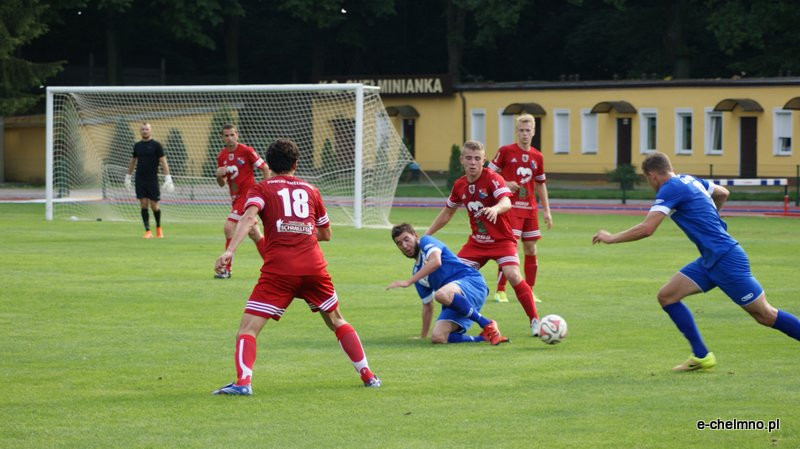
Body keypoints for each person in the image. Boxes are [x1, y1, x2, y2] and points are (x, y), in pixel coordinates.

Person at [592, 151, 800, 371]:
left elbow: (647, 228)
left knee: (765, 315)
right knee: (667, 296)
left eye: (647, 179)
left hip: (727, 259)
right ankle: (702, 356)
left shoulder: (669, 188)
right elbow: (722, 193)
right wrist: (711, 217)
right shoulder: (689, 179)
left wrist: (610, 238)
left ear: (652, 175)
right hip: (711, 259)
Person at [212, 138, 380, 395]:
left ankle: (243, 382)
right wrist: (301, 230)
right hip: (313, 266)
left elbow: (248, 219)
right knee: (336, 320)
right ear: (296, 163)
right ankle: (368, 375)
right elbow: (326, 234)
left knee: (248, 329)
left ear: (269, 164)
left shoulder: (261, 189)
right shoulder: (311, 190)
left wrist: (230, 250)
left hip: (280, 270)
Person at [426, 140, 541, 336]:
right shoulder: (460, 185)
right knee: (453, 280)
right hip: (477, 243)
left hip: (502, 240)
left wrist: (495, 209)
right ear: (462, 160)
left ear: (484, 160)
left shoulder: (492, 178)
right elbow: (447, 213)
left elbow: (506, 201)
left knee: (513, 274)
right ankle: (451, 325)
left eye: (477, 159)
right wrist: (426, 236)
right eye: (469, 158)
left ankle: (535, 320)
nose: (473, 162)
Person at [387, 223, 510, 345]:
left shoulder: (426, 241)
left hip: (471, 282)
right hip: (454, 300)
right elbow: (427, 306)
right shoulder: (417, 273)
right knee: (438, 338)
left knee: (440, 294)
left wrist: (408, 281)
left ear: (415, 235)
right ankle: (484, 338)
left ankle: (487, 324)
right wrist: (423, 336)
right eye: (399, 243)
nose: (404, 245)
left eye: (406, 239)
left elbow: (436, 262)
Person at [488, 114, 552, 303]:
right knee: (510, 248)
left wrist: (547, 210)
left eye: (528, 131)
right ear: (516, 132)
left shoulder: (537, 156)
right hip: (510, 208)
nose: (524, 134)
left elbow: (540, 184)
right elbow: (489, 172)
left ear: (533, 132)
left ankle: (529, 290)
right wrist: (505, 183)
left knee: (531, 248)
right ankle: (500, 290)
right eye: (521, 130)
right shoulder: (506, 151)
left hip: (530, 209)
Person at [214, 124, 270, 279]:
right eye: (226, 135)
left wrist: (266, 191)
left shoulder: (247, 151)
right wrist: (219, 175)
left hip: (248, 196)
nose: (230, 138)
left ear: (237, 135)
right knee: (254, 234)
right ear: (222, 137)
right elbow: (221, 183)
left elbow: (265, 168)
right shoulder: (222, 156)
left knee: (229, 227)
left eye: (232, 134)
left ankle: (226, 269)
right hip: (235, 198)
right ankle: (272, 265)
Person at [125, 122, 173, 238]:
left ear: (150, 130)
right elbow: (133, 161)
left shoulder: (157, 145)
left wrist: (168, 177)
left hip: (152, 179)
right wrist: (128, 176)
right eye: (142, 129)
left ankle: (158, 228)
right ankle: (147, 231)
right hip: (140, 179)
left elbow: (163, 161)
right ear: (140, 131)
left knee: (154, 205)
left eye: (146, 129)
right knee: (143, 204)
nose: (144, 131)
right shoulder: (137, 146)